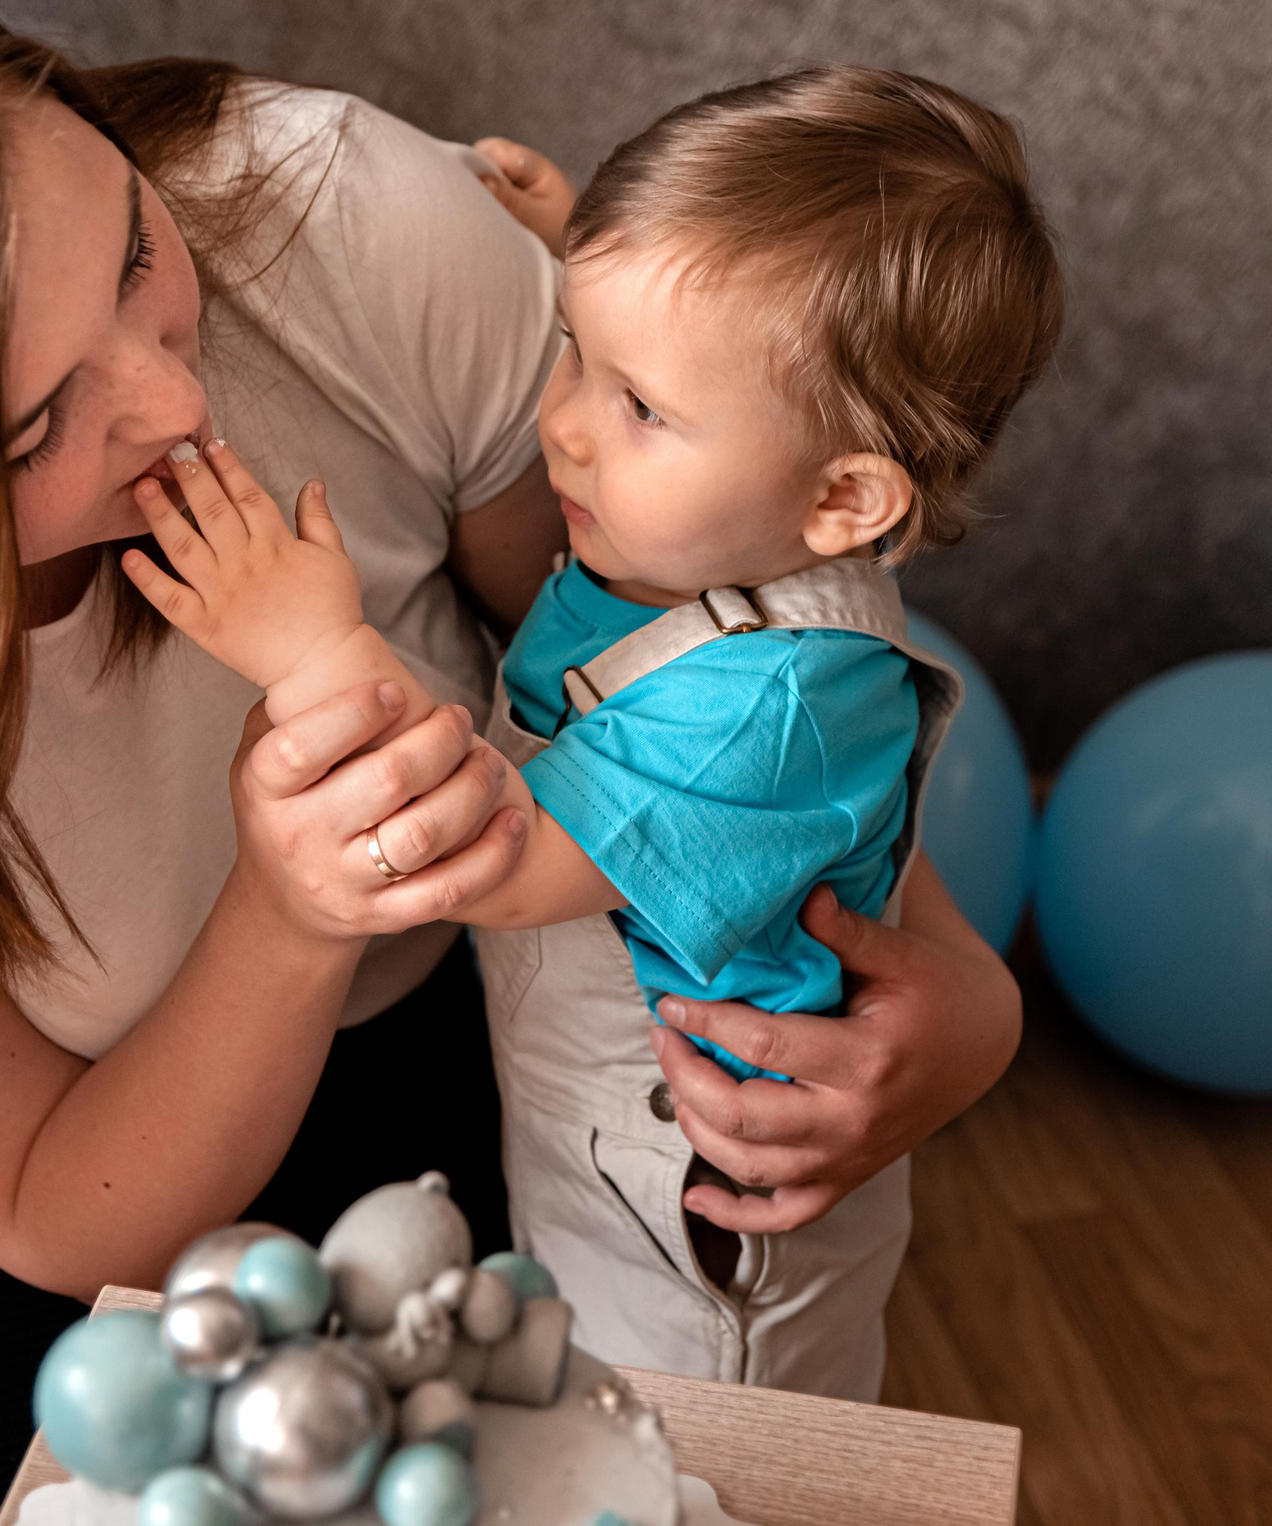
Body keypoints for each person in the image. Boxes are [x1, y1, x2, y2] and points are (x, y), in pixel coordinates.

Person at [0, 0, 1023, 1526]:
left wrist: (960, 989)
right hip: (21, 1164)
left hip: (418, 1019)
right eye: (30, 427)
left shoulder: (342, 221)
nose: (175, 396)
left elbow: (706, 680)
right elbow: (72, 1208)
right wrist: (288, 902)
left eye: (136, 248)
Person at [121, 67, 1061, 1397]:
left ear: (845, 496)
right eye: (575, 351)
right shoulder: (714, 516)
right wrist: (601, 287)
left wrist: (314, 652)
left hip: (696, 1221)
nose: (559, 425)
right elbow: (721, 384)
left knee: (696, 1470)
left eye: (639, 407)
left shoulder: (769, 708)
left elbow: (494, 857)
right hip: (588, 1143)